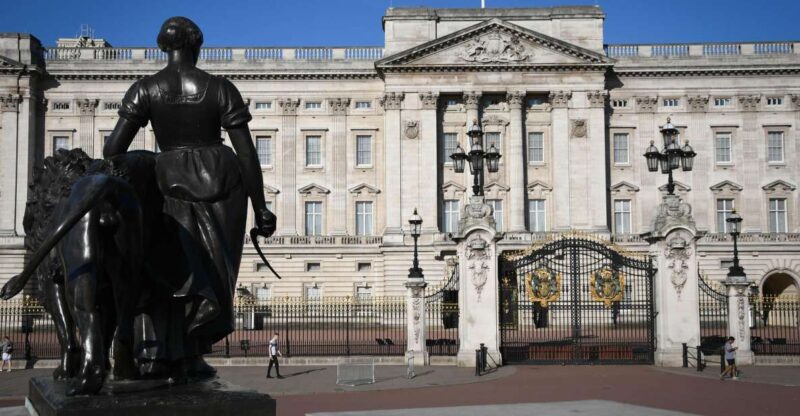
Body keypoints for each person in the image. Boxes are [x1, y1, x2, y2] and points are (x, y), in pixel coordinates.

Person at [103, 16, 276, 379]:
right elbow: (246, 153)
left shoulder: (144, 89)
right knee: (214, 271)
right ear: (197, 46)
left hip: (166, 179)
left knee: (167, 269)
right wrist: (260, 207)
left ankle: (161, 354)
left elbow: (113, 149)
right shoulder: (220, 88)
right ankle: (191, 353)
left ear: (163, 47)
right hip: (220, 182)